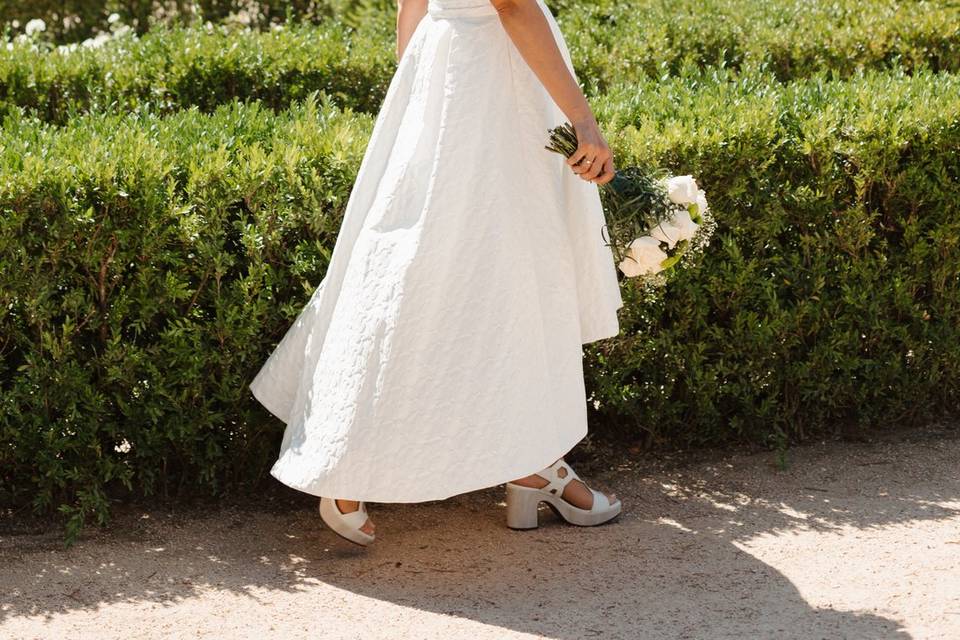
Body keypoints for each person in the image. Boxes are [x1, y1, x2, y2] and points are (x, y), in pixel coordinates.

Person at [249, 0, 625, 546]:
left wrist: (421, 92)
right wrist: (583, 119)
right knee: (441, 270)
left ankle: (532, 462)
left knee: (498, 270)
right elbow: (513, 5)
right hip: (490, 82)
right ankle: (345, 460)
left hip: (459, 75)